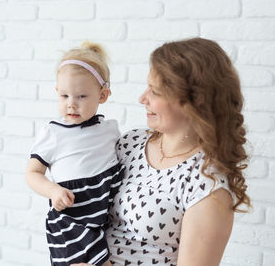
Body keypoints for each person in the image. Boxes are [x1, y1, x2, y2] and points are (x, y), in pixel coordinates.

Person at [71, 37, 251, 266]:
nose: (142, 98)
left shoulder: (207, 188)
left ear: (193, 101)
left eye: (154, 91)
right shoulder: (130, 144)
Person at [25, 41, 124, 266]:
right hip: (70, 219)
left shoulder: (109, 130)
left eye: (81, 97)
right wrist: (53, 190)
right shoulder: (54, 133)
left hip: (101, 221)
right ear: (57, 92)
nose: (71, 104)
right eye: (64, 96)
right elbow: (32, 173)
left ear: (103, 95)